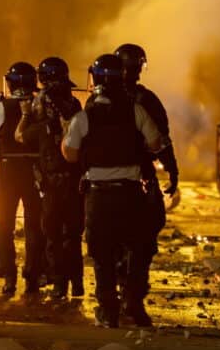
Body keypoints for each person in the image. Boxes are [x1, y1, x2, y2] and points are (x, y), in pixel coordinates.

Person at [61, 54, 165, 327]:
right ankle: (134, 305)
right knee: (138, 250)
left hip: (98, 195)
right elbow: (156, 143)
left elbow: (70, 155)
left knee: (102, 254)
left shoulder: (85, 117)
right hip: (130, 195)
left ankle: (108, 310)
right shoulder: (135, 110)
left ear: (94, 79)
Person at [115, 43, 179, 310]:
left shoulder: (98, 101)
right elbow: (161, 141)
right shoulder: (146, 100)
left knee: (110, 239)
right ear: (140, 67)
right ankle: (134, 293)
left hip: (105, 179)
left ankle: (116, 290)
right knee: (144, 236)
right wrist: (172, 171)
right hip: (140, 178)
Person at [15, 57, 84, 299]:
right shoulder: (75, 107)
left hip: (54, 183)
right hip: (74, 183)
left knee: (54, 235)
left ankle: (59, 284)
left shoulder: (41, 123)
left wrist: (25, 115)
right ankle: (76, 283)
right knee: (72, 236)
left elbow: (20, 137)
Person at [0, 62, 46, 297]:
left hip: (8, 171)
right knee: (35, 226)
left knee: (4, 225)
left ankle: (8, 276)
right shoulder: (41, 105)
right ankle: (33, 276)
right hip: (33, 171)